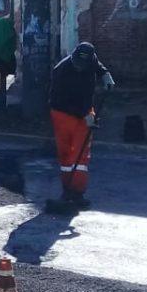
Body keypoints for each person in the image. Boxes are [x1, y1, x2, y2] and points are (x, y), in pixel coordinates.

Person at [49, 42, 115, 208]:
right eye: (77, 64)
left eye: (82, 65)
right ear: (73, 58)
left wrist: (105, 74)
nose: (79, 68)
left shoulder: (91, 62)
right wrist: (84, 115)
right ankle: (67, 189)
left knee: (81, 154)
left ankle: (77, 192)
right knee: (66, 154)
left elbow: (98, 65)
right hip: (63, 113)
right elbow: (59, 101)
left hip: (85, 111)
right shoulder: (61, 71)